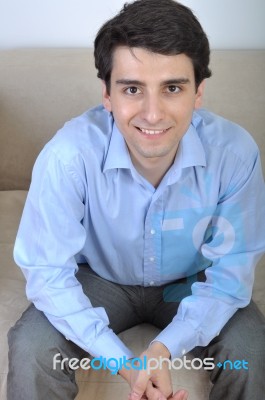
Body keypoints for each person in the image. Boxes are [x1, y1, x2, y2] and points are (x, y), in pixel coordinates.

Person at [7, 0, 265, 399]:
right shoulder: (67, 156)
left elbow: (229, 276)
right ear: (107, 95)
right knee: (32, 347)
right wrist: (126, 364)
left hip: (191, 281)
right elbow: (48, 272)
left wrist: (162, 350)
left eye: (172, 88)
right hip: (99, 278)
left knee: (250, 350)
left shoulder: (235, 154)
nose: (152, 113)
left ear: (198, 93)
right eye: (132, 89)